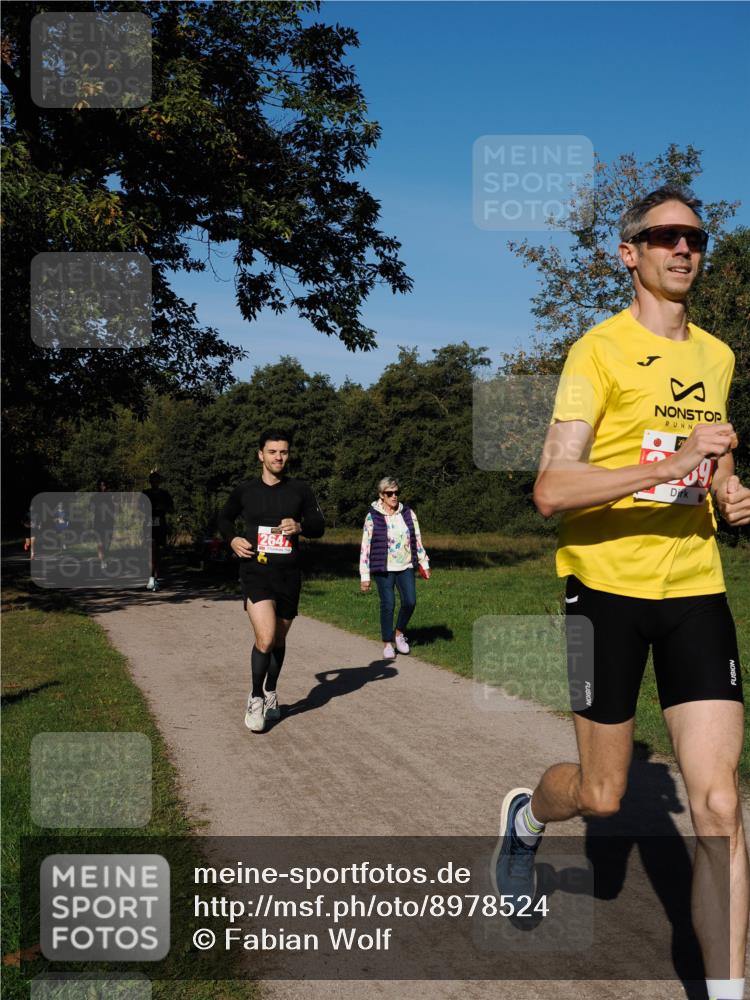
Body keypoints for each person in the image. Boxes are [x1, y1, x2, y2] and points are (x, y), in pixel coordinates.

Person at [494, 186, 750, 1000]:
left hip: (694, 590)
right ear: (628, 253)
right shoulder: (595, 352)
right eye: (664, 236)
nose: (684, 249)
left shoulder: (716, 356)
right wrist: (667, 466)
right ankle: (527, 819)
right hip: (603, 589)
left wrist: (731, 495)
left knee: (718, 804)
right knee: (603, 796)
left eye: (696, 239)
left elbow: (711, 465)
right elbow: (550, 489)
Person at [218, 430, 325, 733]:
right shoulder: (245, 491)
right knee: (265, 638)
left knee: (279, 639)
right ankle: (254, 697)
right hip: (256, 572)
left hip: (289, 574)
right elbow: (224, 519)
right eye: (273, 451)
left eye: (284, 452)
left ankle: (271, 691)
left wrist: (300, 525)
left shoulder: (300, 490)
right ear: (260, 455)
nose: (279, 457)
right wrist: (233, 539)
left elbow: (319, 526)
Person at [359, 476, 430, 661]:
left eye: (396, 493)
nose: (394, 496)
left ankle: (398, 634)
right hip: (383, 567)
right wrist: (365, 575)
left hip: (405, 565)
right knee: (388, 604)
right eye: (389, 493)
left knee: (410, 601)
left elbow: (417, 538)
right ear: (381, 495)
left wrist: (424, 562)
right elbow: (365, 547)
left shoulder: (407, 513)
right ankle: (387, 644)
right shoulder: (372, 516)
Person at [143, 469, 174, 592]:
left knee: (158, 552)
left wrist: (164, 507)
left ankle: (156, 577)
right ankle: (151, 577)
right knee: (151, 550)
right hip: (149, 523)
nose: (155, 483)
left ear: (159, 482)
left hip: (160, 523)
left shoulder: (165, 494)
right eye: (153, 481)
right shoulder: (145, 494)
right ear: (150, 482)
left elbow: (172, 509)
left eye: (157, 481)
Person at [92, 477, 116, 570]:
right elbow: (91, 508)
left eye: (104, 485)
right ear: (98, 486)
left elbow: (113, 508)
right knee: (100, 542)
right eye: (101, 485)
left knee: (107, 543)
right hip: (98, 522)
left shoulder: (110, 496)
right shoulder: (94, 497)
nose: (103, 487)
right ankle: (102, 561)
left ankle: (105, 557)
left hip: (109, 522)